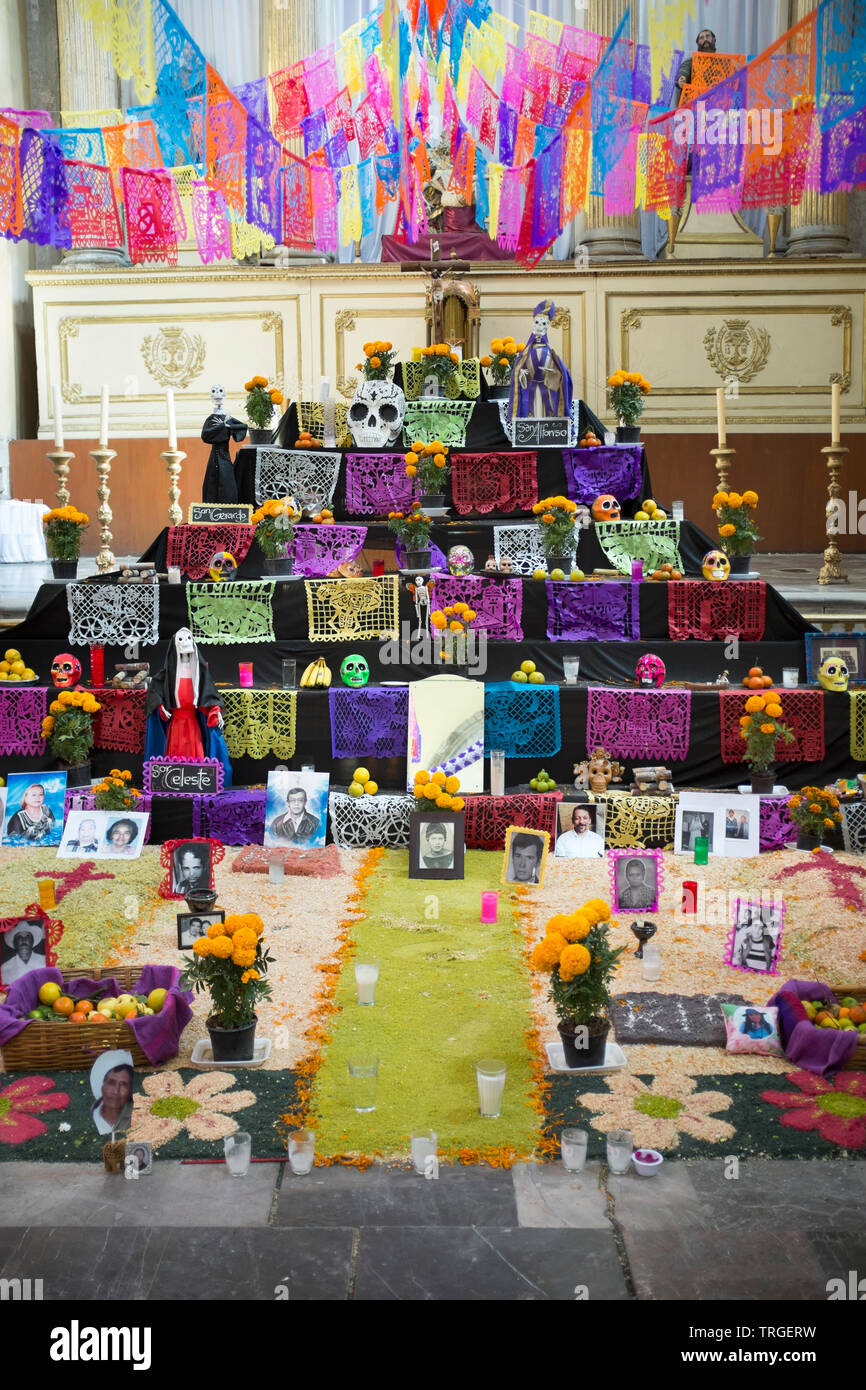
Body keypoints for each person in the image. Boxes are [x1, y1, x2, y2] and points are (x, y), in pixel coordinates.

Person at [508, 299, 572, 420]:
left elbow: (560, 373)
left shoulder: (550, 351)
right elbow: (520, 369)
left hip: (546, 390)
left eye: (543, 324)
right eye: (537, 323)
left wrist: (552, 372)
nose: (540, 327)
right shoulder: (527, 352)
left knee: (545, 415)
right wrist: (522, 374)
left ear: (547, 326)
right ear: (533, 325)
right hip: (531, 389)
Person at [201, 383, 247, 503]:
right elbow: (205, 435)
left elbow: (242, 428)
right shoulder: (212, 419)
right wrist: (223, 427)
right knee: (212, 484)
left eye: (220, 391)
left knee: (227, 483)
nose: (217, 395)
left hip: (225, 456)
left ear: (224, 395)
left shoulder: (227, 418)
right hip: (214, 457)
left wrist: (228, 426)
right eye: (214, 392)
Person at [90, 1051, 134, 1135]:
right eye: (111, 1083)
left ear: (130, 1091)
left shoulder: (136, 1118)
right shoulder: (92, 1115)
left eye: (123, 1084)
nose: (116, 1091)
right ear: (102, 1086)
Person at [675, 29, 717, 102]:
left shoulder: (724, 62)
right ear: (697, 43)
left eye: (708, 36)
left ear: (714, 39)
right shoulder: (690, 61)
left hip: (717, 104)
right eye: (701, 38)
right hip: (696, 105)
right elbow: (684, 71)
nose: (705, 39)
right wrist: (681, 79)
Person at [735, 907, 777, 972]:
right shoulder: (744, 941)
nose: (757, 930)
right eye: (755, 926)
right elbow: (736, 957)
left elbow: (774, 963)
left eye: (760, 928)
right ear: (750, 927)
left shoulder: (769, 943)